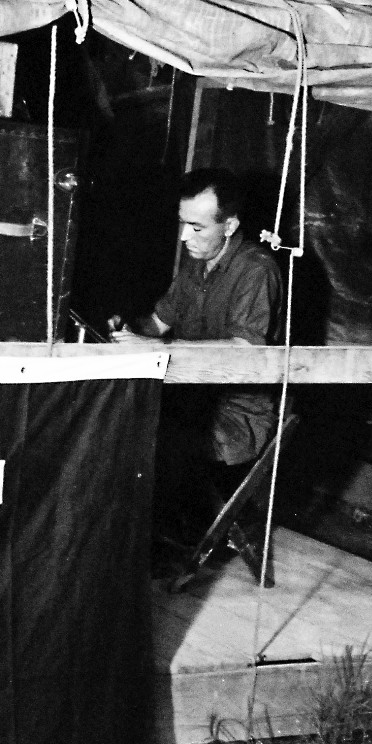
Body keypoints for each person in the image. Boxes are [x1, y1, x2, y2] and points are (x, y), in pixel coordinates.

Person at [109, 168, 282, 554]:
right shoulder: (195, 263)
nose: (184, 237)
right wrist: (126, 328)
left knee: (143, 437)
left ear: (231, 225)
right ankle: (132, 546)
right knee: (111, 421)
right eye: (182, 224)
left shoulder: (256, 270)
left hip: (237, 417)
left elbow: (245, 349)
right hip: (191, 402)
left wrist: (153, 349)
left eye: (197, 227)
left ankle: (148, 548)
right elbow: (156, 323)